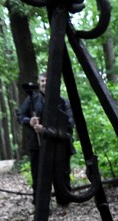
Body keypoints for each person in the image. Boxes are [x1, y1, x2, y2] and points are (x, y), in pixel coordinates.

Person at [16, 72, 74, 203]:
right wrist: (29, 121)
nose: (44, 84)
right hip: (37, 146)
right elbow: (20, 116)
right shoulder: (32, 99)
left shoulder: (63, 102)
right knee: (39, 176)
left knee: (62, 175)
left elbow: (69, 124)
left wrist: (45, 130)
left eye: (47, 81)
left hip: (59, 146)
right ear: (39, 83)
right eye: (42, 81)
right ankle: (41, 205)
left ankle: (64, 203)